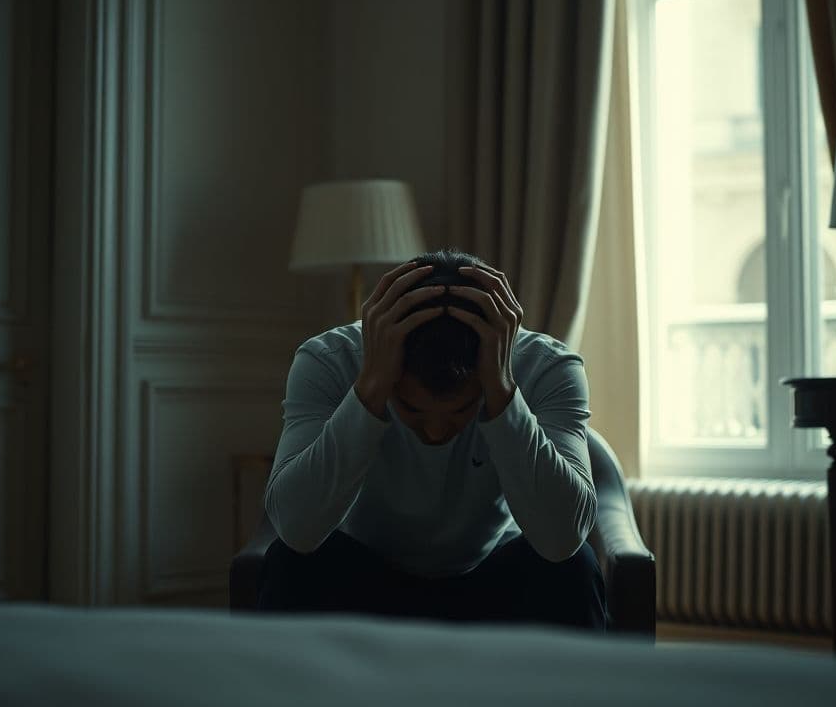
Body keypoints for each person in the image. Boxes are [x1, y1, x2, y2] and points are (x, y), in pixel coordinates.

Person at [257, 249, 608, 631]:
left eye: (461, 411)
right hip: (368, 579)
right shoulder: (328, 361)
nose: (436, 432)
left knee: (573, 569)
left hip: (490, 579)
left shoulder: (548, 367)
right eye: (411, 408)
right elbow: (294, 527)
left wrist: (503, 392)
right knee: (289, 565)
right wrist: (370, 387)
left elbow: (563, 539)